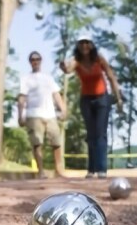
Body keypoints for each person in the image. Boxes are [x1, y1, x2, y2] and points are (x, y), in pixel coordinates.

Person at [60, 35, 123, 179]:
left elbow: (111, 77)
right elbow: (68, 69)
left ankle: (101, 169)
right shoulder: (76, 61)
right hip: (86, 100)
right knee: (91, 135)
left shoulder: (99, 59)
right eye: (81, 43)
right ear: (78, 45)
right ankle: (91, 169)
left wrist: (118, 98)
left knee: (100, 133)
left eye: (87, 43)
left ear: (91, 45)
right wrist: (63, 67)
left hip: (102, 99)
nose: (84, 46)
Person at [18, 51, 67, 179]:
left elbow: (56, 94)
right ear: (30, 62)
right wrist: (20, 115)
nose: (36, 61)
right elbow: (22, 98)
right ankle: (41, 171)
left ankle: (58, 170)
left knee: (56, 142)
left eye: (38, 59)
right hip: (33, 114)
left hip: (50, 114)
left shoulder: (48, 77)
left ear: (41, 61)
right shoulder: (26, 79)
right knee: (37, 143)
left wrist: (63, 109)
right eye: (33, 59)